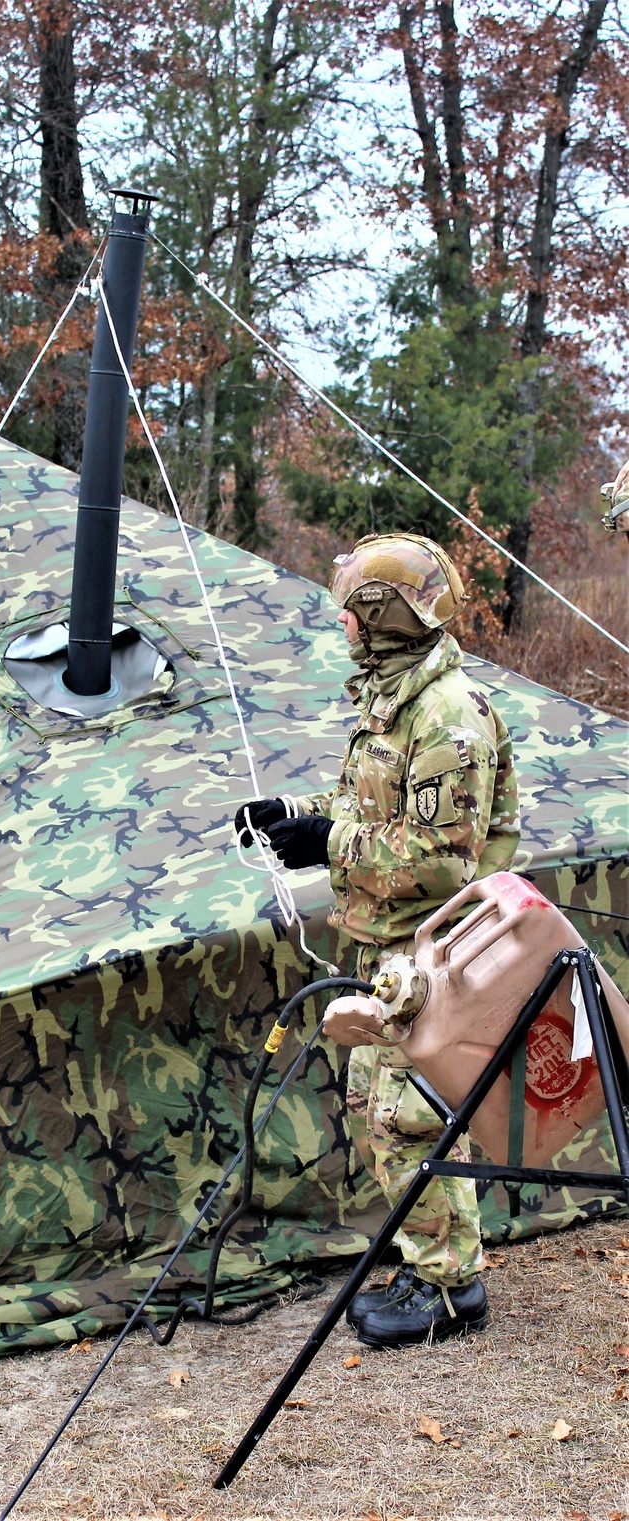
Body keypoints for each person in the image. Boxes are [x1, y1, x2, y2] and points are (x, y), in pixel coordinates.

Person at [235, 532, 520, 1349]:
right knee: (377, 1109)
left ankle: (450, 1285)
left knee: (408, 1119)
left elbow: (440, 860)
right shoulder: (396, 698)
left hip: (434, 951)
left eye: (352, 613)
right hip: (387, 947)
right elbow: (369, 800)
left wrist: (327, 842)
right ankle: (431, 1260)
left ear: (383, 614)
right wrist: (292, 812)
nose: (343, 627)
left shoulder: (448, 718)